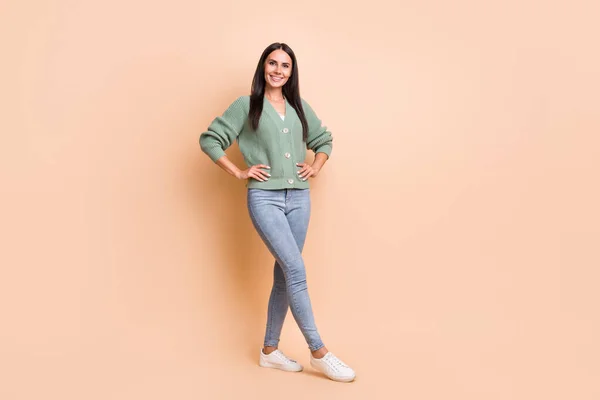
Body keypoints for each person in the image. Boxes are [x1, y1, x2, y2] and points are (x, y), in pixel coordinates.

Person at [199, 42, 356, 383]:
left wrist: (315, 165)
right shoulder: (246, 105)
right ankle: (320, 352)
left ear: (290, 73)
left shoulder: (299, 107)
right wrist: (239, 172)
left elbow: (324, 140)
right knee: (296, 269)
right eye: (273, 63)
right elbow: (211, 139)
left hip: (299, 197)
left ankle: (269, 351)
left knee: (285, 274)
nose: (278, 70)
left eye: (285, 66)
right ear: (263, 66)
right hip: (265, 199)